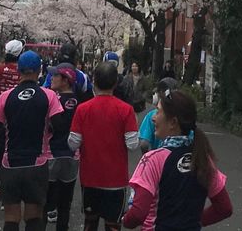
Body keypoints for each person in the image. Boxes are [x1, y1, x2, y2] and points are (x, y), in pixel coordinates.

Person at [122, 90, 232, 230]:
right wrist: (194, 221)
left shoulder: (153, 160)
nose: (153, 118)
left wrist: (125, 220)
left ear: (173, 122)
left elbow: (138, 213)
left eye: (158, 112)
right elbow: (224, 208)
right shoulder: (203, 157)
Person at [0, 50, 64, 231]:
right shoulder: (49, 96)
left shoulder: (5, 97)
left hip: (10, 163)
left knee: (11, 217)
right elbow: (61, 126)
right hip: (37, 163)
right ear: (39, 70)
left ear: (19, 70)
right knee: (34, 217)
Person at [69, 62, 140, 231]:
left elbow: (72, 143)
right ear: (116, 82)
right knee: (113, 225)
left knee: (90, 223)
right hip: (116, 180)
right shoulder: (126, 110)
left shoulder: (82, 109)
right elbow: (133, 144)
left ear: (94, 81)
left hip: (90, 177)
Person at [0, 39, 25, 217]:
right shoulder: (23, 72)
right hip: (18, 118)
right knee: (12, 157)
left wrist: (0, 88)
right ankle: (8, 194)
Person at [45, 66, 82, 231]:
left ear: (66, 80)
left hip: (54, 152)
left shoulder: (63, 100)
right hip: (71, 155)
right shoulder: (74, 100)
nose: (52, 78)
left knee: (47, 201)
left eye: (56, 76)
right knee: (64, 203)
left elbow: (60, 126)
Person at [138, 77, 180, 152]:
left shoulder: (151, 116)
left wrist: (148, 157)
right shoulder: (183, 115)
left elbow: (144, 144)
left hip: (157, 159)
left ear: (161, 93)